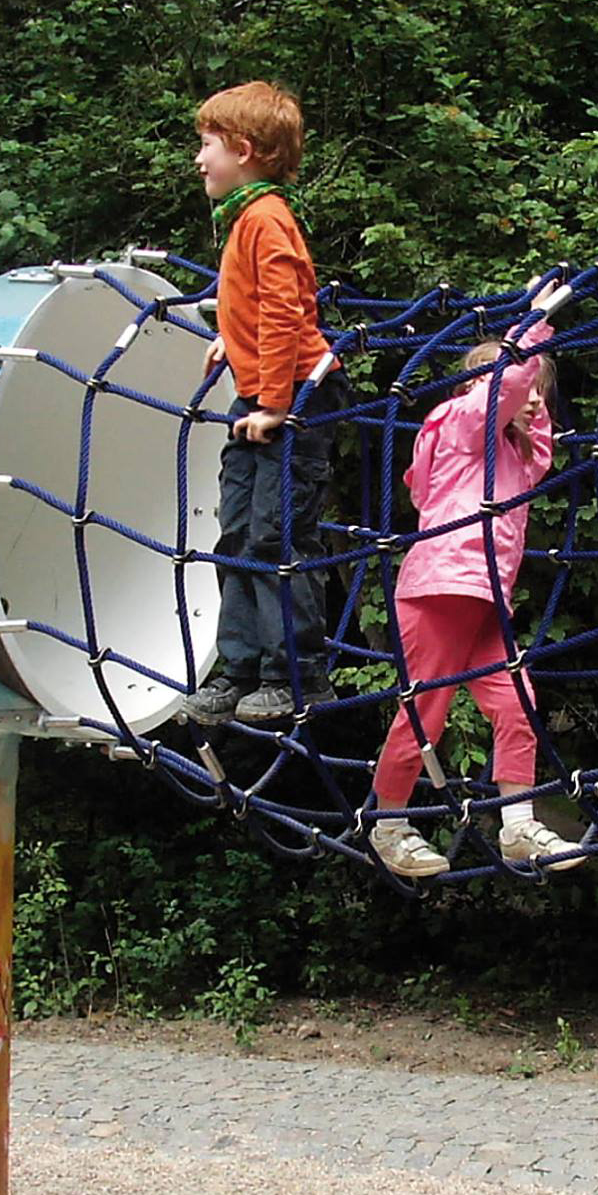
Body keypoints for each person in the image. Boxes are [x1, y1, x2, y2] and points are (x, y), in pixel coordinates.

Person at [366, 285, 587, 877]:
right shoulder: (461, 426)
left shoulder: (515, 454)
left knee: (517, 704)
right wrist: (534, 328)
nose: (536, 398)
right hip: (440, 589)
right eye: (526, 387)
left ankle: (517, 823)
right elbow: (503, 389)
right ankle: (388, 825)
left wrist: (534, 404)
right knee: (426, 711)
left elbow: (537, 448)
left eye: (543, 391)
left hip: (486, 595)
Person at [183, 80, 351, 725]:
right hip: (260, 395)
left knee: (279, 536)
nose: (199, 159)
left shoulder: (265, 217)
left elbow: (286, 311)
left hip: (295, 399)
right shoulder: (244, 217)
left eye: (207, 146)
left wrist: (277, 404)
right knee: (236, 534)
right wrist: (231, 337)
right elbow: (255, 305)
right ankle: (241, 668)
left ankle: (296, 674)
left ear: (245, 149)